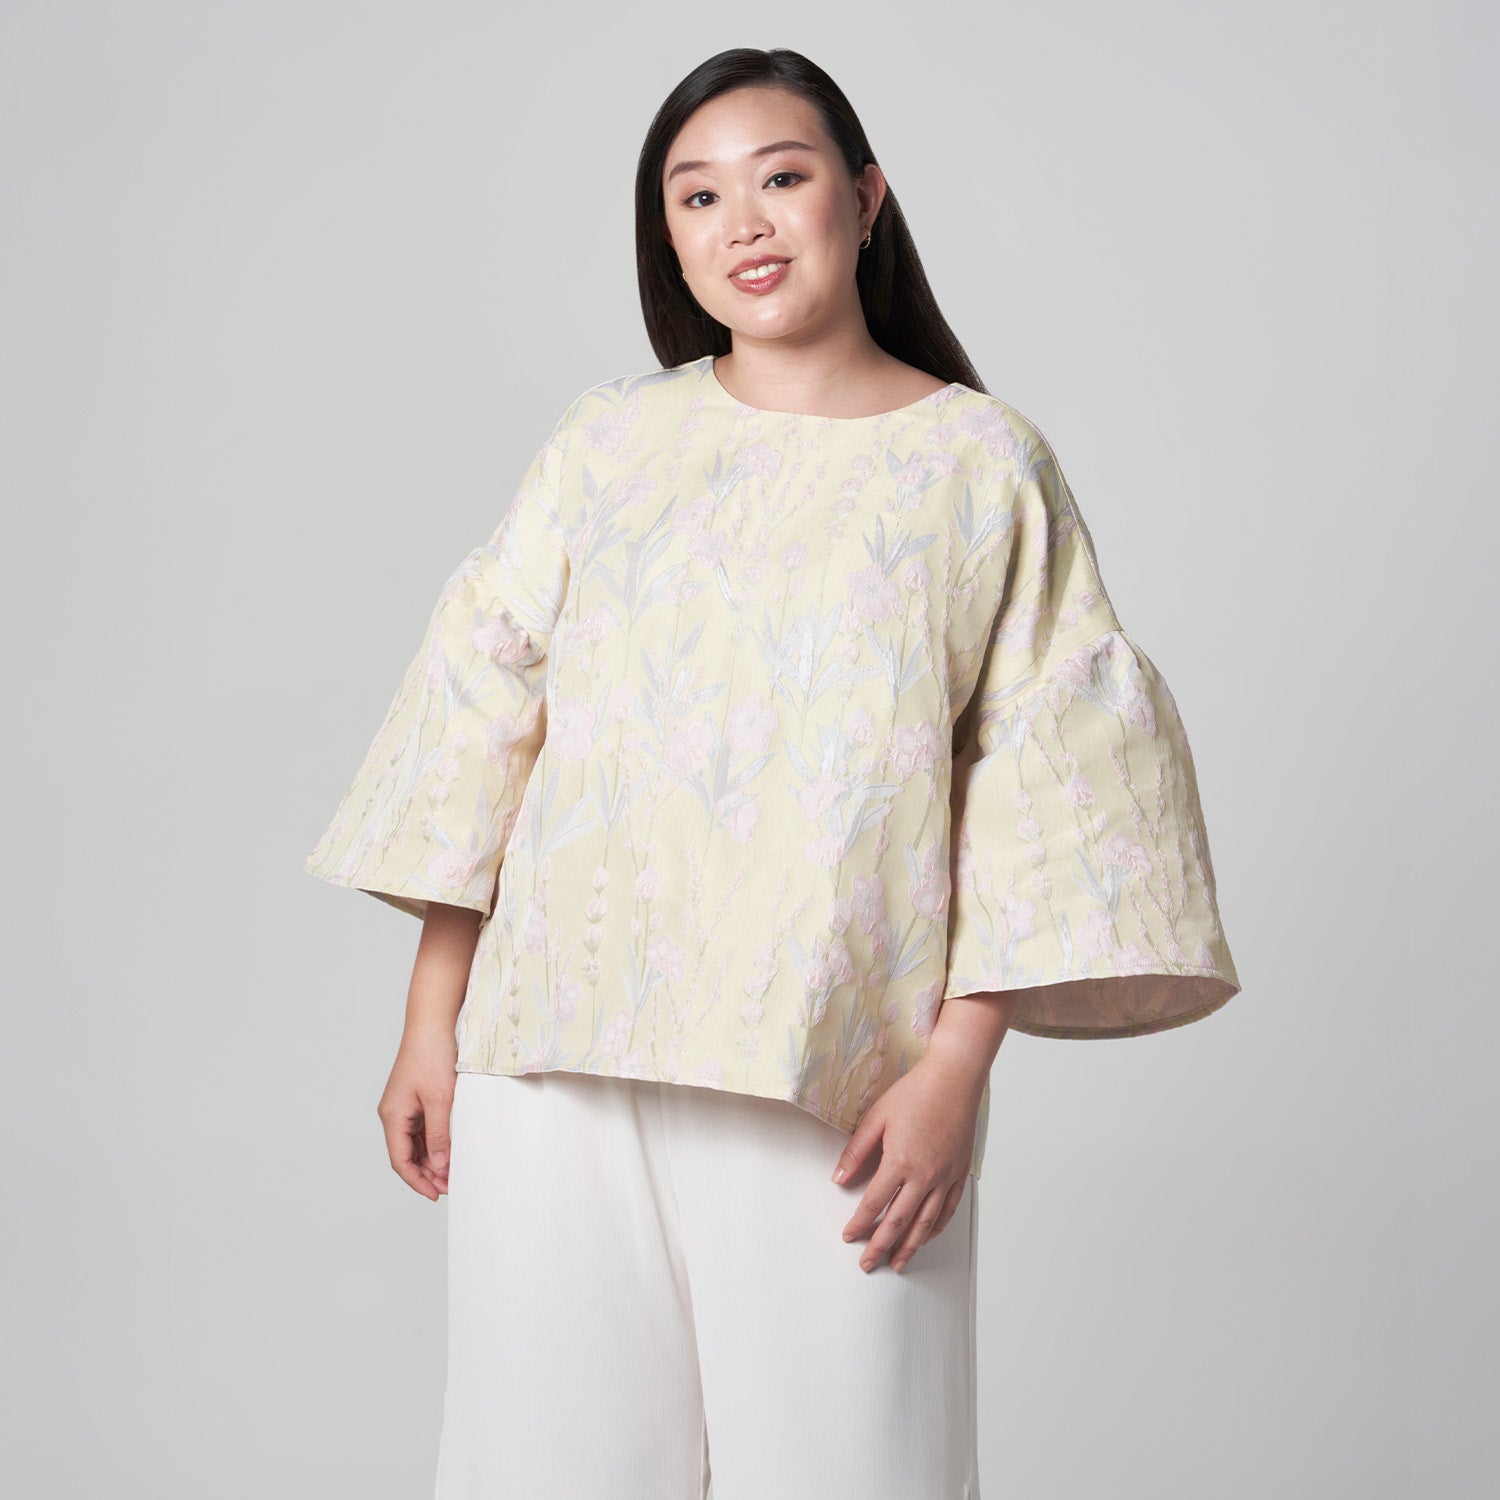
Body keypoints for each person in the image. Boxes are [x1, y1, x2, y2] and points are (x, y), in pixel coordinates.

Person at [303, 46, 1241, 1500]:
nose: (741, 223)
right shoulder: (609, 443)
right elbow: (486, 716)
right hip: (552, 1058)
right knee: (538, 1472)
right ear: (668, 238)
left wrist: (956, 1068)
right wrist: (433, 1021)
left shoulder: (980, 465)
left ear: (864, 200)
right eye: (697, 197)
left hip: (835, 1073)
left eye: (781, 178)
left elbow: (1048, 776)